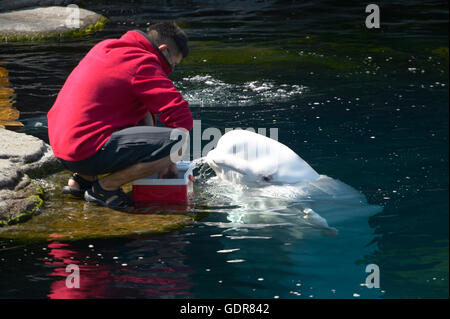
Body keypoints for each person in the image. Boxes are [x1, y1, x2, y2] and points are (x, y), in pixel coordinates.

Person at [47, 22, 193, 209]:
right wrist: (171, 159)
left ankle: (82, 180)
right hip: (85, 152)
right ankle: (104, 188)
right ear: (163, 50)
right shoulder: (141, 61)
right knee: (179, 140)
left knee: (135, 112)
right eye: (172, 65)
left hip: (61, 148)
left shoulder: (106, 47)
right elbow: (181, 116)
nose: (170, 71)